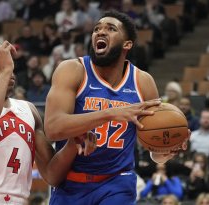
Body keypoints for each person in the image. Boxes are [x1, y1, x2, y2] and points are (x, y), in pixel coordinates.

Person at [44, 11, 188, 205]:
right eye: (97, 29)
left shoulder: (143, 82)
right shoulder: (72, 70)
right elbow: (53, 128)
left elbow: (154, 152)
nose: (100, 32)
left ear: (127, 44)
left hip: (117, 182)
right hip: (71, 183)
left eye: (110, 29)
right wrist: (113, 113)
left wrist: (168, 148)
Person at [0, 42, 96, 205]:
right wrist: (5, 71)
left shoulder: (29, 110)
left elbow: (51, 175)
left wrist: (72, 142)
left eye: (9, 63)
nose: (9, 67)